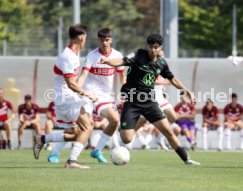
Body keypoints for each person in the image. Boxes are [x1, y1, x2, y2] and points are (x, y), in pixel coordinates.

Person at [100, 33, 200, 165]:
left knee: (167, 130)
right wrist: (108, 62)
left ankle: (186, 159)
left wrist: (188, 92)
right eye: (151, 47)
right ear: (147, 46)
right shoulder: (139, 55)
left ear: (160, 48)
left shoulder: (162, 63)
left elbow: (173, 80)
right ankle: (131, 124)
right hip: (132, 101)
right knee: (126, 139)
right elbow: (122, 62)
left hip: (149, 101)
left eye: (156, 47)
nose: (153, 50)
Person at [33, 24, 96, 169]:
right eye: (85, 37)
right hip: (67, 98)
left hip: (67, 98)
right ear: (81, 38)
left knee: (76, 133)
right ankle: (72, 161)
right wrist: (87, 94)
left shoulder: (73, 54)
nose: (85, 40)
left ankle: (42, 139)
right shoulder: (67, 56)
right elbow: (70, 84)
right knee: (88, 128)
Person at [76, 28, 125, 163]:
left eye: (107, 40)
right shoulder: (91, 56)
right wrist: (76, 89)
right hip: (88, 93)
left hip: (104, 95)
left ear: (111, 40)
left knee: (115, 120)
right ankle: (56, 151)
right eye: (102, 40)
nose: (104, 42)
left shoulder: (117, 56)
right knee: (83, 127)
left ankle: (97, 150)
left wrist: (125, 92)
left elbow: (122, 75)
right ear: (98, 40)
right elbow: (83, 75)